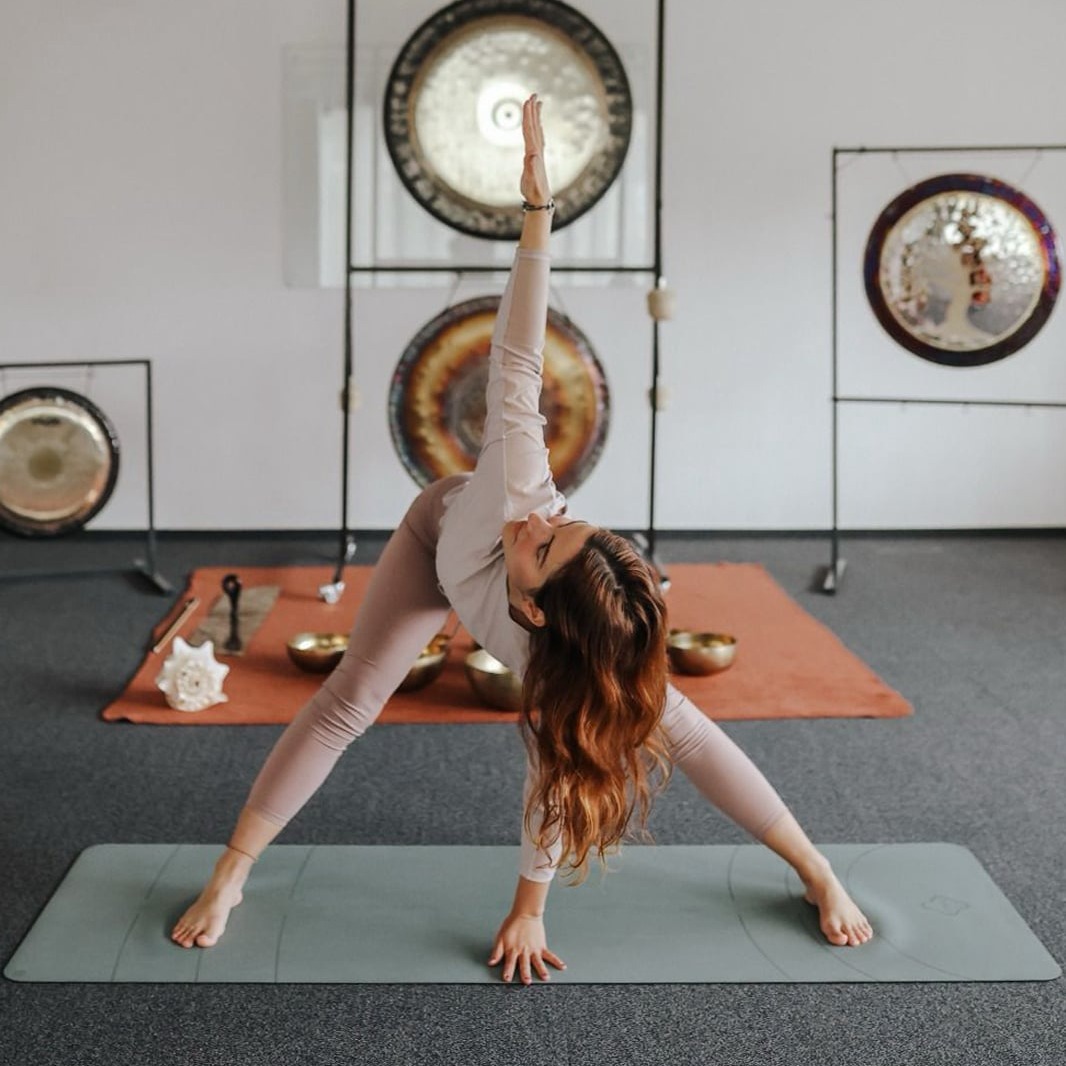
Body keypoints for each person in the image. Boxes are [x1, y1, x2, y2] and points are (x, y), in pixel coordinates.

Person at [172, 95, 873, 983]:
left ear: (537, 612)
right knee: (351, 699)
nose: (540, 517)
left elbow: (558, 783)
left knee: (686, 731)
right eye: (562, 518)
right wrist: (538, 217)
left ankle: (814, 868)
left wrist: (527, 910)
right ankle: (232, 871)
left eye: (548, 539)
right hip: (438, 536)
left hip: (522, 619)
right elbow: (519, 354)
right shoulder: (518, 486)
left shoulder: (557, 671)